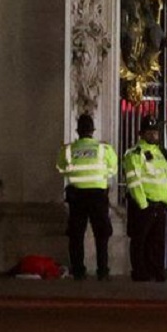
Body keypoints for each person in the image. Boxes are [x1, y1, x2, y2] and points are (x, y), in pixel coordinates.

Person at [55, 113, 117, 280]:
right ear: (92, 131)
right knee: (101, 235)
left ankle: (78, 271)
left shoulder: (68, 150)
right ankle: (102, 271)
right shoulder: (104, 149)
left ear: (78, 131)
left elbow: (61, 169)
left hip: (77, 196)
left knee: (76, 235)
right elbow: (113, 170)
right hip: (98, 195)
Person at [123, 115, 167, 282]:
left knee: (157, 240)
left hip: (161, 204)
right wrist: (143, 204)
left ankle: (156, 270)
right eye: (150, 132)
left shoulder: (161, 153)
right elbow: (134, 181)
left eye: (155, 132)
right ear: (142, 134)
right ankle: (140, 271)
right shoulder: (135, 153)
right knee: (141, 240)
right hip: (145, 204)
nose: (153, 135)